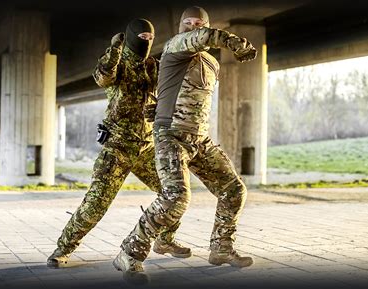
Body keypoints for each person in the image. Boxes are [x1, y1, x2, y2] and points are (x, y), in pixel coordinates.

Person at [113, 6, 257, 283]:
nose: (193, 27)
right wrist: (236, 44)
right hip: (170, 135)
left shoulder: (212, 64)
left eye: (199, 23)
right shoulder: (175, 46)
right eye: (188, 23)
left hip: (199, 138)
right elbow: (204, 38)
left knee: (234, 190)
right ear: (181, 27)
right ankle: (128, 254)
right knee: (176, 197)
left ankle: (222, 248)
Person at [47, 18, 191, 268]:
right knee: (96, 203)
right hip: (118, 147)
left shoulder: (153, 66)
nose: (145, 42)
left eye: (149, 38)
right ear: (131, 37)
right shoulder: (118, 63)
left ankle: (166, 239)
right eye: (141, 38)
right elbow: (102, 77)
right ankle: (63, 248)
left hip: (146, 146)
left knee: (174, 193)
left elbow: (170, 93)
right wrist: (115, 49)